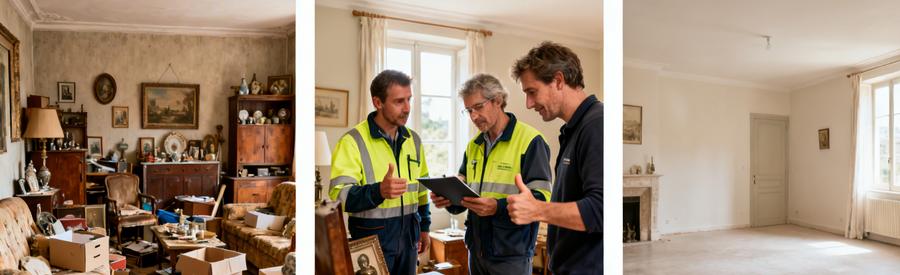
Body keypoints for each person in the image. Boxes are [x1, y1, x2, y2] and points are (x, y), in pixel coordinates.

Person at [431, 74, 552, 275]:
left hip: (512, 253)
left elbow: (541, 198)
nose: (473, 116)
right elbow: (465, 195)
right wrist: (448, 199)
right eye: (469, 110)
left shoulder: (531, 141)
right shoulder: (473, 146)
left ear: (497, 100)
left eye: (478, 107)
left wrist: (497, 207)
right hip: (476, 250)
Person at [507, 41, 604, 274]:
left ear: (558, 81)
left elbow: (601, 209)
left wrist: (538, 210)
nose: (529, 104)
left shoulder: (597, 125)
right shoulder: (573, 129)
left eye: (532, 92)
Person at [329, 70, 431, 275]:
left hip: (409, 240)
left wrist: (425, 227)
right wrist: (379, 191)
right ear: (378, 102)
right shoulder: (352, 141)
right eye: (399, 101)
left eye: (409, 99)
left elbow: (421, 190)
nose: (407, 108)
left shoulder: (415, 140)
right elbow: (339, 197)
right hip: (371, 243)